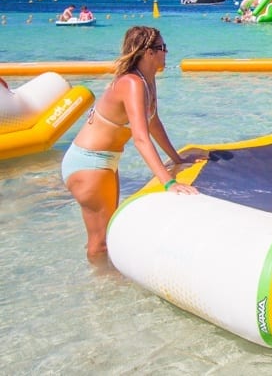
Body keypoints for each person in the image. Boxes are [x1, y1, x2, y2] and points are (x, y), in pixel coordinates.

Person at [62, 26, 205, 264]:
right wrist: (168, 182)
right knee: (100, 243)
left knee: (108, 230)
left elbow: (153, 124)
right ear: (148, 52)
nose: (166, 52)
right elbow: (140, 138)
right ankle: (103, 291)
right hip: (89, 163)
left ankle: (107, 281)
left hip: (103, 162)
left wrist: (178, 159)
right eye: (162, 47)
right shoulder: (132, 83)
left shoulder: (147, 80)